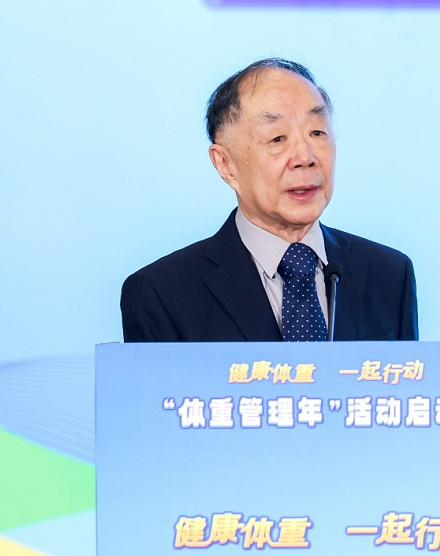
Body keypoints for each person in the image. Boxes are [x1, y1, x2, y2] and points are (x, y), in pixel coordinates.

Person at [120, 58, 418, 343]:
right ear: (225, 164)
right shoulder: (161, 293)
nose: (305, 157)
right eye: (277, 139)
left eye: (317, 132)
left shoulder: (390, 274)